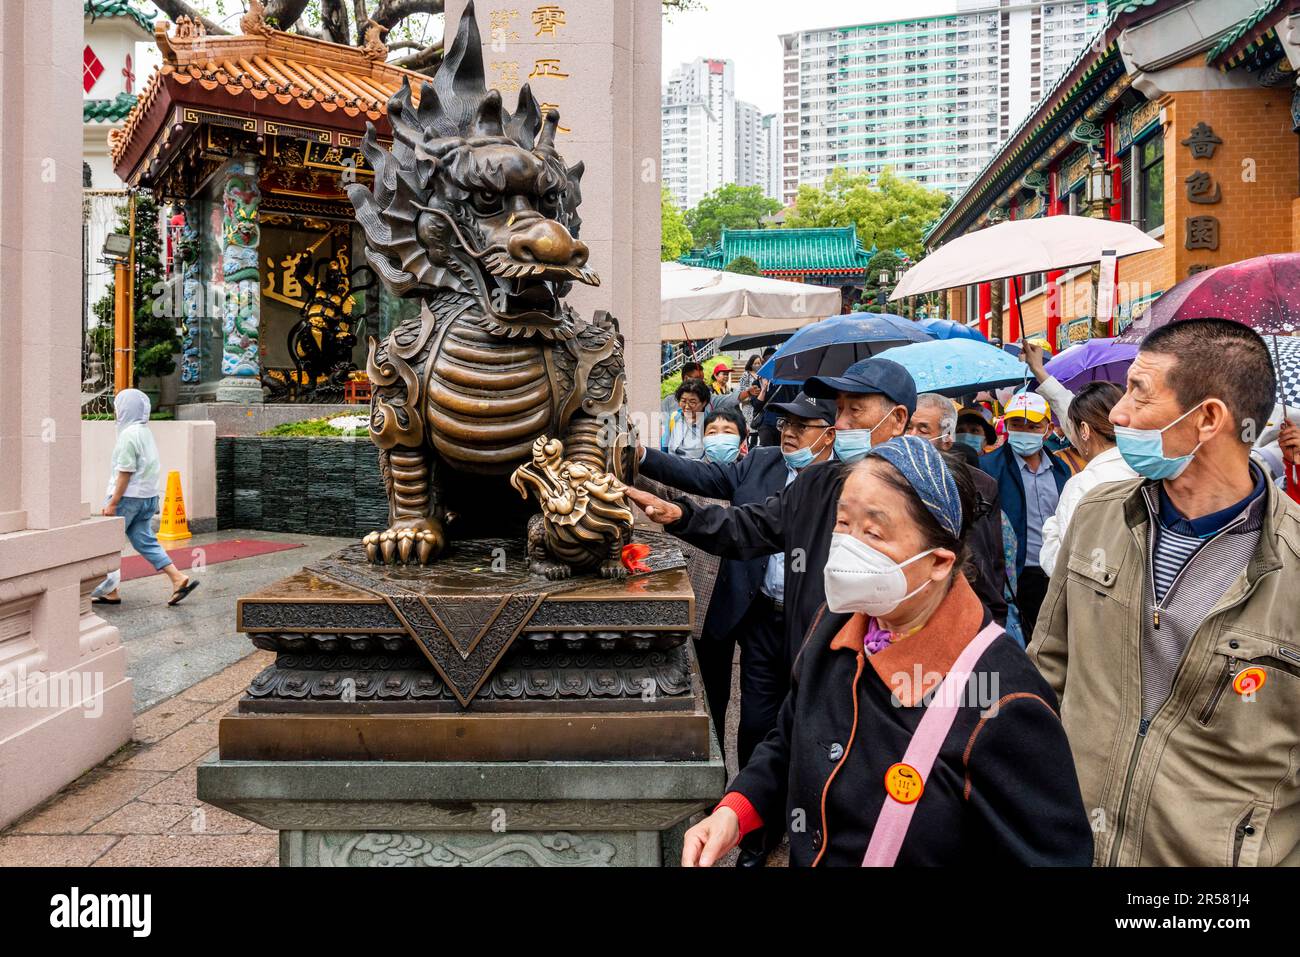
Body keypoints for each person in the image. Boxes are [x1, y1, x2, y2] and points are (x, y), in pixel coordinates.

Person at [681, 437, 1092, 866]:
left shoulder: (1003, 698)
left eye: (873, 532)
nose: (847, 545)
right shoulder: (836, 623)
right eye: (842, 523)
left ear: (939, 561)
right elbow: (791, 738)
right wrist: (736, 810)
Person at [1030, 318, 1300, 866]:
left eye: (1139, 392)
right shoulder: (1099, 516)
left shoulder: (1290, 563)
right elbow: (1048, 668)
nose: (1119, 414)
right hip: (1075, 846)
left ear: (1207, 418)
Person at [637, 391, 836, 867]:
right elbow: (706, 482)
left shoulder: (845, 483)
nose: (788, 432)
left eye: (802, 426)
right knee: (755, 726)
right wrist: (642, 457)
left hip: (818, 624)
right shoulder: (762, 464)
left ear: (830, 434)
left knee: (815, 723)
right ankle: (757, 831)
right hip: (762, 619)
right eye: (784, 422)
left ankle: (813, 821)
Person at [627, 356, 915, 669]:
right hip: (790, 635)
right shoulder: (815, 483)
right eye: (840, 409)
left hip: (887, 661)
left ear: (898, 419)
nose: (842, 421)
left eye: (854, 410)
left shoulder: (942, 493)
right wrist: (680, 516)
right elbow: (751, 525)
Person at [90, 389, 199, 607]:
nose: (116, 411)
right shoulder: (145, 432)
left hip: (126, 499)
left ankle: (108, 589)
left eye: (118, 407)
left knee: (105, 543)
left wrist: (113, 503)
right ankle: (177, 578)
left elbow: (125, 471)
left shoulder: (128, 436)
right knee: (145, 541)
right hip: (147, 498)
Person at [907, 393, 1007, 625]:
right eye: (908, 427)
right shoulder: (892, 479)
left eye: (923, 430)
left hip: (966, 603)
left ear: (947, 438)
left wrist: (994, 616)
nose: (912, 437)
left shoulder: (981, 485)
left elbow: (992, 558)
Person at [977, 391, 1070, 635]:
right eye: (1017, 424)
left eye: (1033, 425)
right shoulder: (988, 468)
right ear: (1006, 425)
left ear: (1048, 430)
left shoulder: (1060, 469)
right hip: (1015, 576)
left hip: (1055, 572)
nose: (1024, 431)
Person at [1038, 382, 1136, 577]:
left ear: (1084, 429)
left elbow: (1066, 564)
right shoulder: (1144, 471)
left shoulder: (1082, 484)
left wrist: (1051, 530)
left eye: (1072, 427)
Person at [661, 378, 711, 459]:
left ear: (704, 403)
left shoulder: (710, 423)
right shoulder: (674, 417)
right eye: (683, 401)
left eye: (692, 402)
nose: (687, 407)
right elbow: (664, 447)